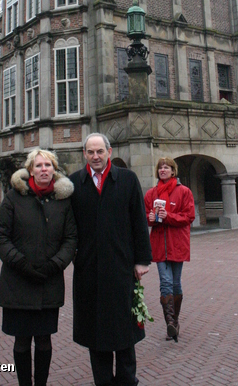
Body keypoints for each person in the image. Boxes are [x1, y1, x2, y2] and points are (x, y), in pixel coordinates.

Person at [69, 133, 152, 386]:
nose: (95, 156)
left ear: (109, 152)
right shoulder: (74, 183)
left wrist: (142, 260)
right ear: (84, 153)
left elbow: (139, 220)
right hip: (89, 269)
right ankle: (102, 381)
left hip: (121, 266)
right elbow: (68, 226)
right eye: (90, 152)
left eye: (100, 152)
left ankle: (127, 380)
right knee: (95, 331)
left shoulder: (127, 179)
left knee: (124, 329)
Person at [0, 149, 77, 386]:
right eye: (38, 166)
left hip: (48, 282)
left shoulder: (63, 201)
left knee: (44, 341)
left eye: (48, 165)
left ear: (54, 169)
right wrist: (19, 262)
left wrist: (55, 264)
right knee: (21, 342)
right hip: (17, 281)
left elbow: (71, 239)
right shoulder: (13, 197)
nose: (43, 170)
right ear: (30, 170)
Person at [144, 157, 195, 342]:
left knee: (175, 283)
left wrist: (169, 216)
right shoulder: (151, 194)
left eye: (167, 168)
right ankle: (170, 324)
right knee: (165, 282)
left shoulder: (184, 192)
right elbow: (146, 217)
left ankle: (175, 321)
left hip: (177, 244)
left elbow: (189, 216)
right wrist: (151, 217)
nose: (163, 170)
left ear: (173, 171)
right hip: (159, 244)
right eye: (160, 168)